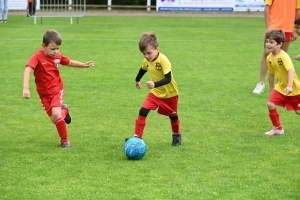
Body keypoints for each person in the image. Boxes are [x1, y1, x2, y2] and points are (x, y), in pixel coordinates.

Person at [23, 29, 95, 148]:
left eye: (58, 48)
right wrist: (26, 88)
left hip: (56, 89)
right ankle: (64, 111)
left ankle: (65, 140)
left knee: (56, 114)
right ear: (43, 46)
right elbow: (28, 70)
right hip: (43, 93)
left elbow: (70, 62)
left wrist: (83, 65)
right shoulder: (37, 56)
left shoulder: (58, 56)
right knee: (55, 119)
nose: (56, 51)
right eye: (52, 49)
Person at [129, 32, 181, 146]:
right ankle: (137, 138)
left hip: (170, 94)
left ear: (157, 49)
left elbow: (168, 78)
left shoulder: (163, 60)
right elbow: (143, 69)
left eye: (149, 53)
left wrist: (155, 84)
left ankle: (176, 135)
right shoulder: (146, 61)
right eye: (144, 54)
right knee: (143, 111)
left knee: (173, 116)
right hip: (155, 94)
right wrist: (137, 80)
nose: (146, 56)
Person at [252, 0, 300, 94]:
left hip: (288, 28)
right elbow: (267, 7)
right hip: (274, 26)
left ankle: (279, 85)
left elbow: (297, 9)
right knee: (267, 54)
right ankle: (261, 83)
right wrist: (268, 27)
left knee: (282, 57)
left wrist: (295, 29)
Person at [264, 29, 300, 136]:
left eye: (271, 42)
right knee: (270, 104)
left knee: (298, 112)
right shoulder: (269, 58)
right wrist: (271, 89)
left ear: (279, 44)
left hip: (293, 88)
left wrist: (289, 86)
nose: (268, 44)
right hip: (280, 87)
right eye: (267, 41)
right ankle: (278, 128)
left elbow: (290, 70)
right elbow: (271, 73)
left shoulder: (284, 56)